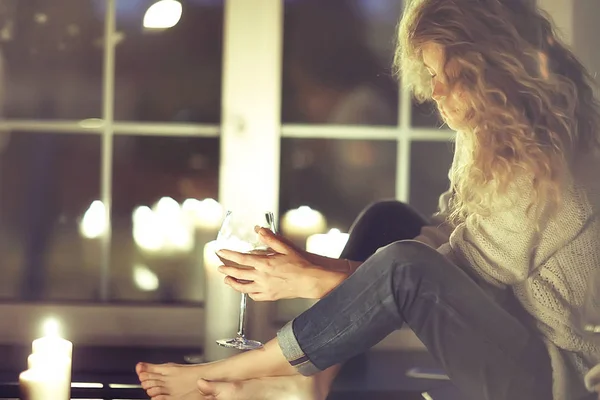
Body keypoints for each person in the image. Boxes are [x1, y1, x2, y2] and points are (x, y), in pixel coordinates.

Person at [135, 0, 600, 399]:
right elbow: (454, 227)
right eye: (432, 73)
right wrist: (322, 273)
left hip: (554, 379)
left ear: (491, 69)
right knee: (389, 221)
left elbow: (454, 276)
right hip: (514, 336)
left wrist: (316, 278)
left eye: (449, 75)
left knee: (404, 264)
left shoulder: (546, 156)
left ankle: (227, 372)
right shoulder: (494, 130)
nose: (434, 91)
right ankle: (308, 384)